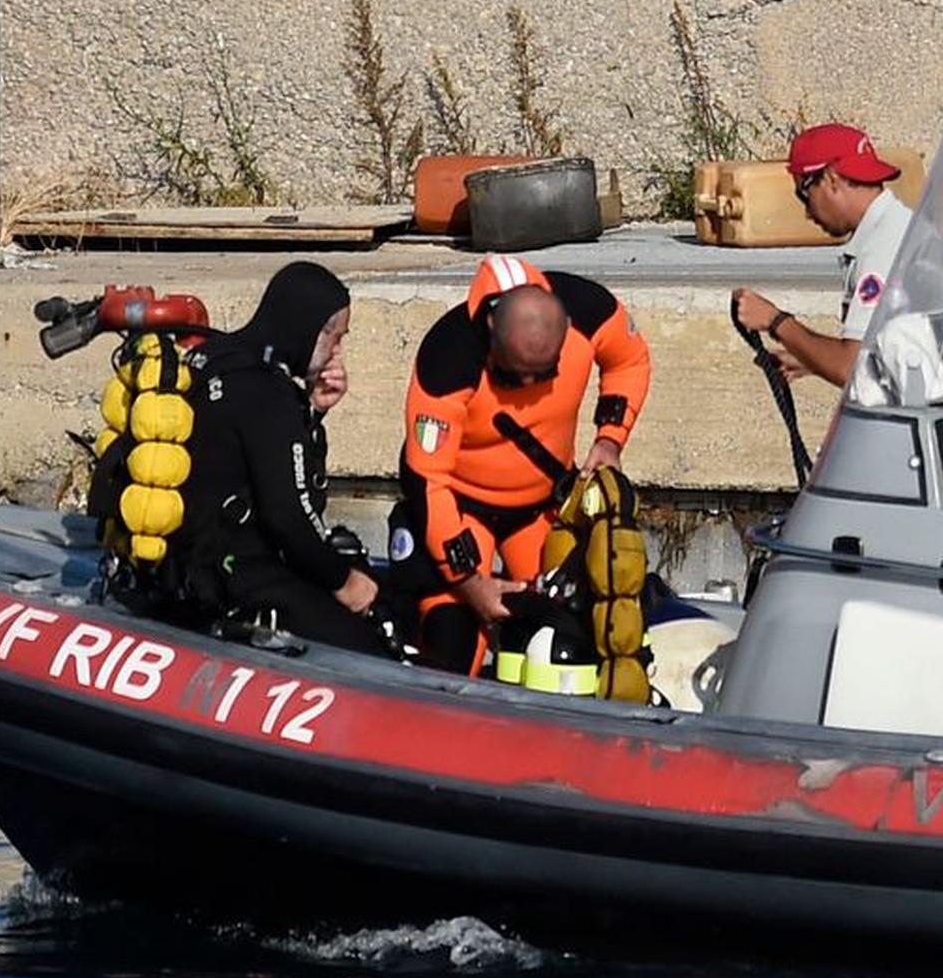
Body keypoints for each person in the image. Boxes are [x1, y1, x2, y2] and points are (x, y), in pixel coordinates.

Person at [394, 253, 653, 673]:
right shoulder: (448, 357)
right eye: (516, 376)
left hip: (539, 507)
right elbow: (429, 481)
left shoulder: (589, 309)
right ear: (491, 332)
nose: (530, 387)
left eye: (543, 374)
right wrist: (468, 580)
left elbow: (629, 360)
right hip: (460, 507)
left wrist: (610, 438)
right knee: (453, 636)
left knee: (570, 630)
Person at [173, 260, 399, 658]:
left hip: (186, 568)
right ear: (311, 329)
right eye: (336, 338)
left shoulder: (218, 356)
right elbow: (291, 519)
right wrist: (346, 583)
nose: (337, 352)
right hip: (239, 579)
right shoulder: (268, 395)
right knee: (372, 647)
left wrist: (311, 413)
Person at [729, 122, 913, 391]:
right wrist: (812, 359)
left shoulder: (884, 247)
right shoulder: (896, 227)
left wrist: (776, 321)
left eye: (804, 194)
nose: (807, 212)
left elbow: (852, 368)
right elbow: (885, 356)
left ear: (830, 179)